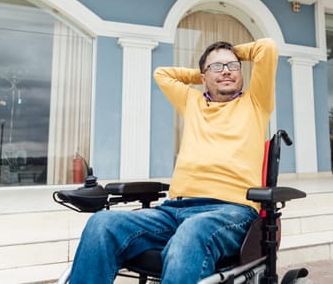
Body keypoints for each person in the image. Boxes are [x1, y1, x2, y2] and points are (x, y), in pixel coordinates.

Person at [69, 38, 278, 284]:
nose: (225, 71)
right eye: (216, 67)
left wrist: (230, 55)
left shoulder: (256, 103)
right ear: (203, 78)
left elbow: (268, 48)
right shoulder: (193, 102)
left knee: (191, 232)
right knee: (101, 224)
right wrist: (207, 70)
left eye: (232, 66)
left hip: (230, 210)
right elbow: (162, 74)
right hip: (174, 209)